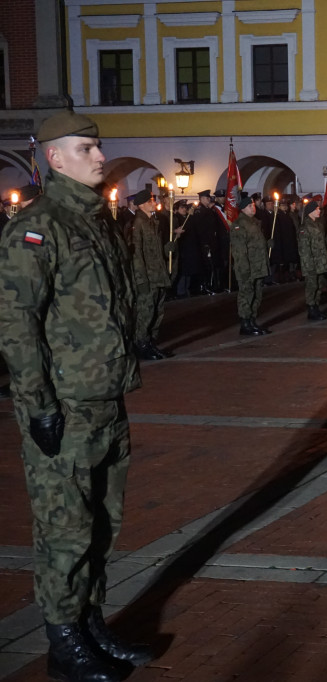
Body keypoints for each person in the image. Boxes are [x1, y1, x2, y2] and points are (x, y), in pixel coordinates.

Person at [0, 111, 154, 682]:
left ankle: (89, 623)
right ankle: (64, 642)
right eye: (86, 148)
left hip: (105, 398)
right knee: (64, 528)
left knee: (102, 523)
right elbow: (16, 324)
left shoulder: (95, 219)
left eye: (98, 147)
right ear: (54, 158)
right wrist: (39, 405)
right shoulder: (37, 227)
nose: (98, 156)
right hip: (63, 406)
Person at [126, 189, 174, 360]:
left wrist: (166, 248)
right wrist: (141, 279)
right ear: (142, 204)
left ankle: (151, 342)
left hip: (158, 274)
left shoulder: (152, 221)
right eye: (151, 200)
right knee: (146, 312)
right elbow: (136, 253)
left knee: (157, 311)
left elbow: (154, 249)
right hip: (147, 276)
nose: (155, 203)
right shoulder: (137, 223)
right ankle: (142, 344)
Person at [230, 193, 272, 334]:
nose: (252, 207)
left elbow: (256, 243)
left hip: (258, 265)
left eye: (253, 205)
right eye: (249, 206)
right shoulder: (239, 225)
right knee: (246, 294)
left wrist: (267, 244)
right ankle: (245, 323)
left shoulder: (254, 222)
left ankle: (252, 320)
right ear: (243, 209)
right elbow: (239, 250)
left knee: (257, 294)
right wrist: (244, 268)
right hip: (247, 267)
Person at [297, 200, 327, 320]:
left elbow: (320, 241)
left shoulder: (318, 224)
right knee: (312, 286)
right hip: (311, 263)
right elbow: (304, 249)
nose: (319, 210)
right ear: (310, 212)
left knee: (319, 285)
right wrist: (308, 265)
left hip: (320, 262)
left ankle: (316, 308)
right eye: (316, 209)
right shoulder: (305, 228)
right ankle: (311, 309)